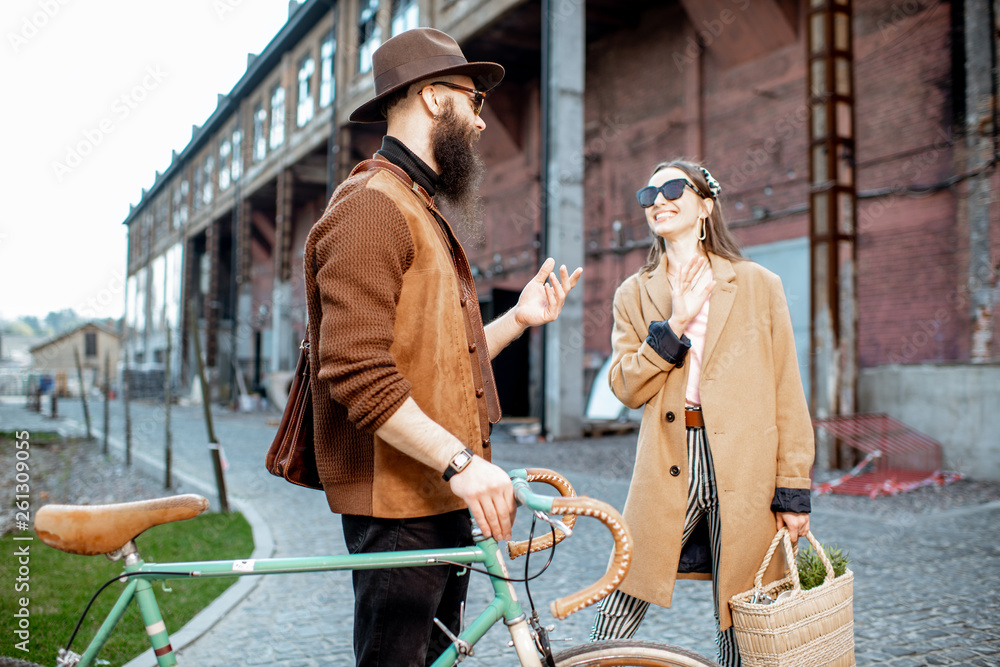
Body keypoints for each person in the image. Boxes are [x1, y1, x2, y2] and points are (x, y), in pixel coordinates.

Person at [303, 28, 582, 667]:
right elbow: (357, 371)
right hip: (400, 507)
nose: (481, 122)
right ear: (433, 98)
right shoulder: (372, 208)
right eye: (473, 99)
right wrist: (462, 463)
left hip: (435, 496)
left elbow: (438, 360)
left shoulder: (414, 204)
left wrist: (518, 319)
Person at [589, 159, 814, 666]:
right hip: (670, 458)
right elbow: (624, 386)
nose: (659, 201)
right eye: (649, 195)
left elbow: (787, 391)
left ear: (705, 205)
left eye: (673, 188)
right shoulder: (633, 292)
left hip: (745, 464)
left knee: (742, 606)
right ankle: (595, 660)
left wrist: (793, 488)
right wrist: (675, 323)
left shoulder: (758, 284)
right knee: (626, 588)